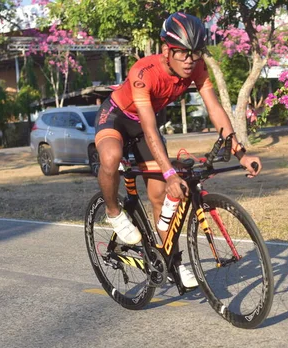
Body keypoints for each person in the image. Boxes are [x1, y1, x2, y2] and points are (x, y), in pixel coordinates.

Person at [94, 12, 262, 289]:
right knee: (111, 158)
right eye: (182, 53)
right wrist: (169, 172)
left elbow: (214, 108)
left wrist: (241, 153)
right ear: (166, 50)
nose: (189, 60)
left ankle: (170, 260)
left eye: (194, 53)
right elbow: (148, 126)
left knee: (160, 196)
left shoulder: (197, 69)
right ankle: (113, 212)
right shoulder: (143, 72)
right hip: (117, 117)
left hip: (146, 126)